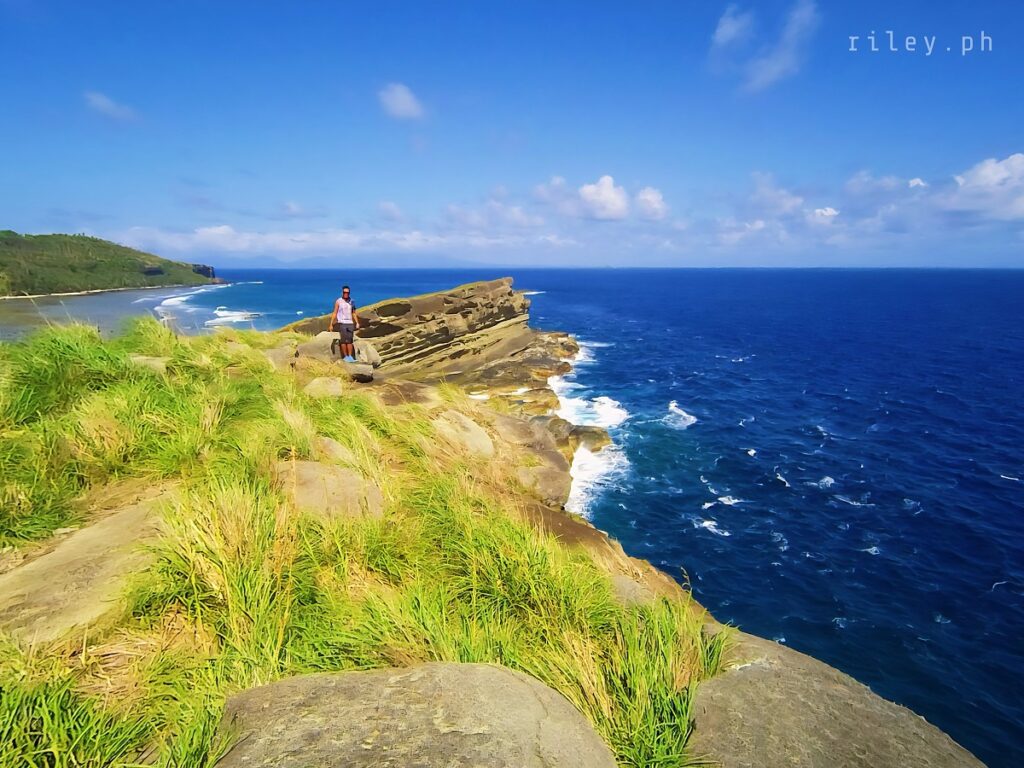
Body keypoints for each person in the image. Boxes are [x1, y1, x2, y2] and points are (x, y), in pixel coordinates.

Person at [330, 285, 361, 362]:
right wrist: (331, 324)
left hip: (350, 323)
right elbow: (335, 312)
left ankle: (350, 357)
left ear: (349, 293)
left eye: (347, 292)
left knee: (350, 341)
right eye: (344, 292)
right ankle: (345, 357)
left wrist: (357, 322)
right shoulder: (338, 301)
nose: (346, 293)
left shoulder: (352, 301)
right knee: (343, 341)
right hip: (342, 323)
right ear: (342, 292)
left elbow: (354, 313)